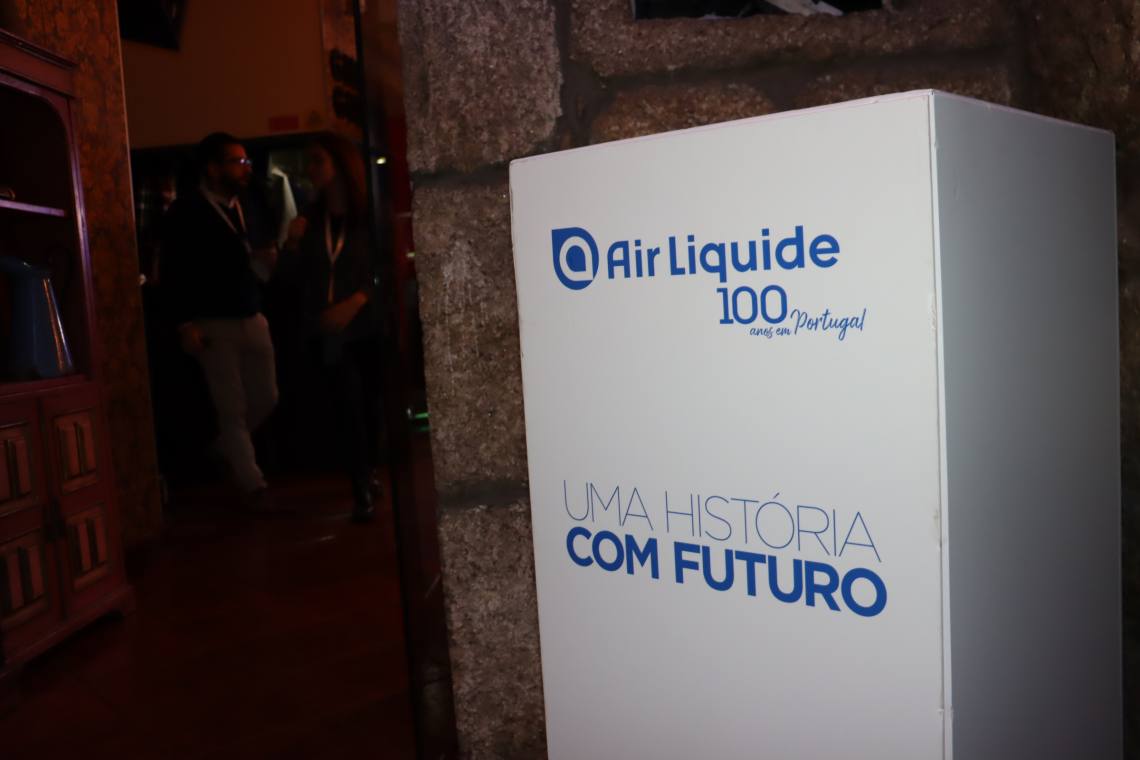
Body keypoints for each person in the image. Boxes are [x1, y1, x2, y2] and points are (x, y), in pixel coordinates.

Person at [162, 132, 279, 500]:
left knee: (267, 396)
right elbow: (174, 271)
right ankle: (252, 483)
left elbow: (255, 252)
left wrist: (268, 259)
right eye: (236, 162)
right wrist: (185, 323)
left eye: (246, 161)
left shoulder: (250, 204)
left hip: (252, 312)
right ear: (212, 169)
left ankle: (223, 449)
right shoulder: (186, 211)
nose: (245, 168)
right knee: (231, 406)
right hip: (213, 320)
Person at [280, 133, 384, 522]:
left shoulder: (367, 215)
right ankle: (361, 487)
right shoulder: (309, 219)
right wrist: (291, 244)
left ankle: (369, 472)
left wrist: (356, 301)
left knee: (368, 407)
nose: (311, 169)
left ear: (340, 164)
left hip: (364, 328)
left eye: (317, 160)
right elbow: (288, 281)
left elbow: (384, 268)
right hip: (328, 334)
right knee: (347, 408)